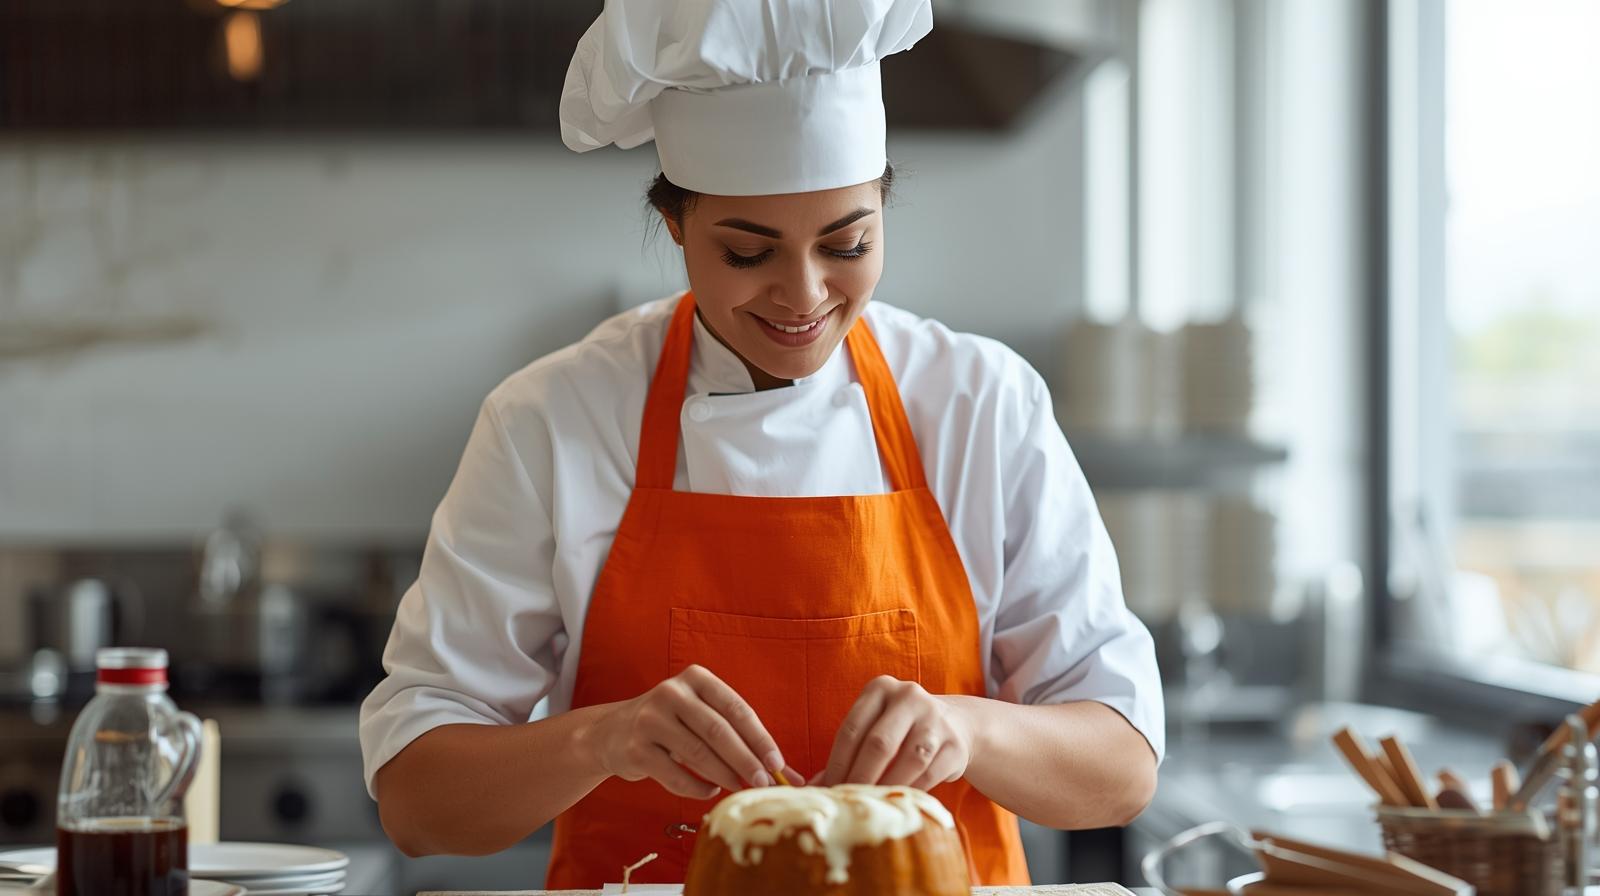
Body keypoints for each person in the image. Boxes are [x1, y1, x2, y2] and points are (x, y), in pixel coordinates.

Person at [359, 0, 1163, 887]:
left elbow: (1122, 768)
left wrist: (968, 729)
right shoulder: (557, 418)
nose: (803, 295)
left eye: (847, 242)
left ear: (884, 203)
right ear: (675, 224)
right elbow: (416, 802)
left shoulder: (981, 404)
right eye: (748, 253)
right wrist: (603, 737)